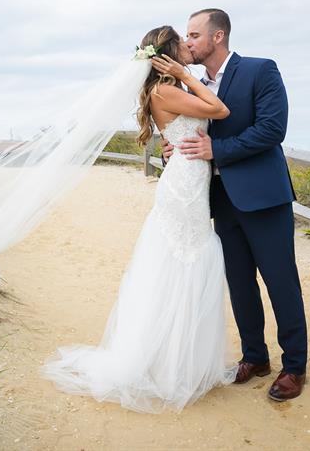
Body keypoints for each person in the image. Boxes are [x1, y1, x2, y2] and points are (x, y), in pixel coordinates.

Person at [41, 26, 236, 413]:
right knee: (183, 262)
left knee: (185, 261)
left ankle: (181, 361)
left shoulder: (165, 89)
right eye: (182, 42)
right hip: (183, 185)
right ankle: (166, 366)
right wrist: (184, 77)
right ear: (167, 53)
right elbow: (219, 110)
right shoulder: (166, 89)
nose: (187, 47)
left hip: (188, 177)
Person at [153, 8, 308, 401]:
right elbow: (185, 126)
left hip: (263, 197)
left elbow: (273, 129)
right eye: (185, 36)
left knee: (280, 281)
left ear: (217, 37)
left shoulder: (260, 70)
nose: (187, 42)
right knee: (239, 284)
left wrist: (215, 150)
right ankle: (255, 357)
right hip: (220, 200)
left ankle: (294, 367)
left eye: (193, 35)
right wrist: (172, 147)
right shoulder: (191, 85)